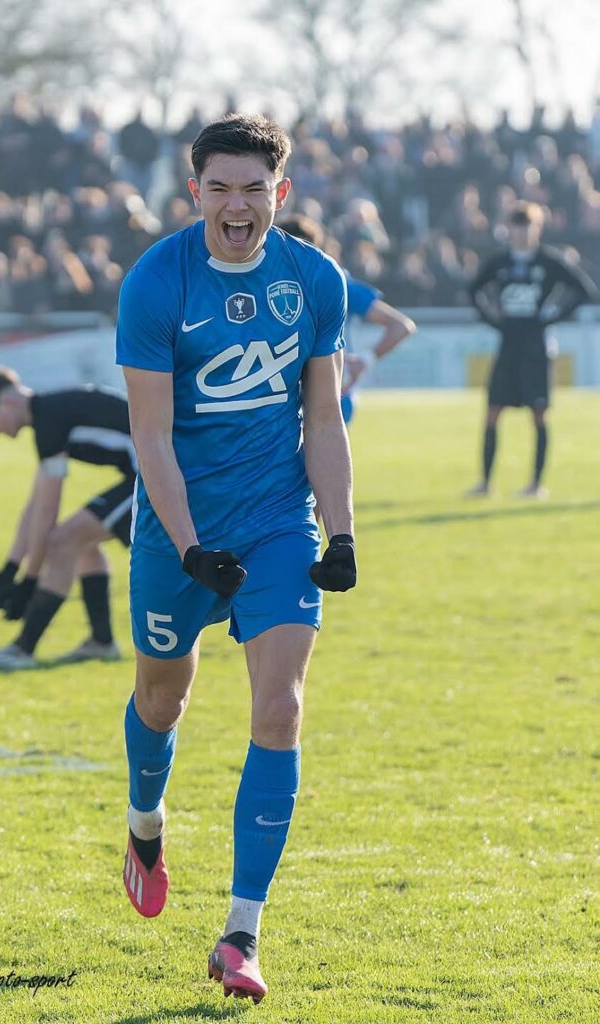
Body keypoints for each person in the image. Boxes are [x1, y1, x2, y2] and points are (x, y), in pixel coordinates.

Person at [116, 114, 357, 1004]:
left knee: (281, 703)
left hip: (273, 521)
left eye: (253, 188)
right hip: (178, 528)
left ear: (278, 196)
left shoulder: (313, 278)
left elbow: (323, 418)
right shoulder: (155, 282)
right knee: (160, 695)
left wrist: (339, 531)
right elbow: (149, 434)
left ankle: (241, 934)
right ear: (195, 194)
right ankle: (145, 822)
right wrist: (187, 544)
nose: (236, 204)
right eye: (219, 187)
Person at [0, 366, 135, 669]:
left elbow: (47, 512)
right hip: (152, 472)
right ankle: (101, 642)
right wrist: (11, 567)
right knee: (82, 543)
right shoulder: (47, 416)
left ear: (9, 402)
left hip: (166, 473)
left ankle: (23, 649)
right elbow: (35, 505)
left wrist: (30, 580)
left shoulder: (49, 420)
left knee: (64, 541)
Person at [466, 201, 597, 498]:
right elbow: (474, 290)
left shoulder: (549, 261)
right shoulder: (499, 262)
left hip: (537, 348)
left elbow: (584, 290)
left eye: (528, 226)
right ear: (509, 229)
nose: (522, 232)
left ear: (537, 228)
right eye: (517, 225)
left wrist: (552, 316)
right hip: (508, 344)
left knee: (539, 414)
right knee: (492, 411)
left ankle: (536, 485)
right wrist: (493, 318)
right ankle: (485, 484)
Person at [277, 213, 416, 423]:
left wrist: (366, 359)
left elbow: (401, 326)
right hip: (283, 396)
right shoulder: (266, 286)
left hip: (329, 394)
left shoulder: (336, 284)